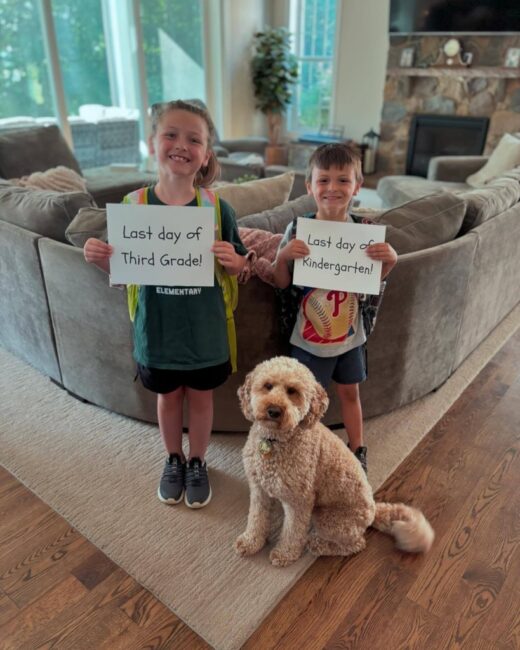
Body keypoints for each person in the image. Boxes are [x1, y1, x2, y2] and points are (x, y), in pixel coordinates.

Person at [84, 99, 247, 508]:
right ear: (151, 142)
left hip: (206, 334)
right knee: (168, 399)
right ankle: (173, 458)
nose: (181, 145)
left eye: (194, 139)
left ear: (206, 154)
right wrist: (105, 261)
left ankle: (198, 461)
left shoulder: (217, 208)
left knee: (203, 400)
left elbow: (241, 268)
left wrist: (237, 261)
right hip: (157, 332)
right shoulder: (133, 207)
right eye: (170, 134)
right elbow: (124, 276)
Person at [272, 143, 397, 474]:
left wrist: (390, 262)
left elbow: (372, 285)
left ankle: (357, 449)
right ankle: (300, 451)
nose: (333, 188)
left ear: (357, 186)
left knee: (350, 393)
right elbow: (280, 282)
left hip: (350, 337)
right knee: (306, 401)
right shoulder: (298, 229)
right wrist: (283, 256)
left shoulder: (367, 233)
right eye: (324, 180)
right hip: (307, 338)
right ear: (310, 186)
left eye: (343, 180)